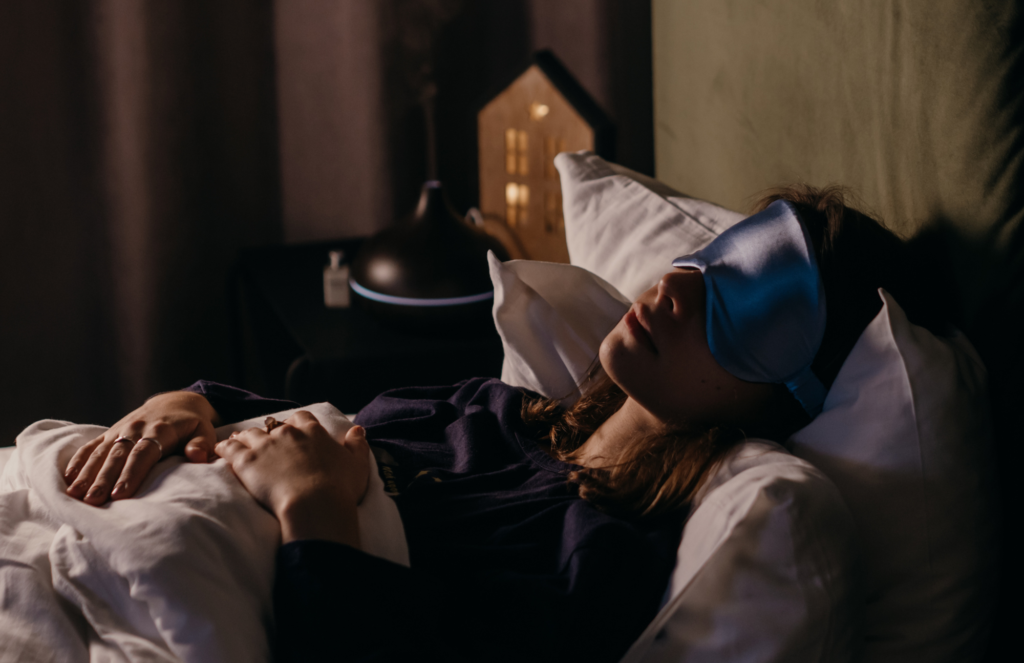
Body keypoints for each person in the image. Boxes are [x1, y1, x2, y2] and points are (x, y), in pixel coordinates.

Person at [60, 185, 940, 662]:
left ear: (789, 393)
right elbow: (304, 421)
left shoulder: (599, 559)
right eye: (709, 261)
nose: (674, 287)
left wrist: (314, 515)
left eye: (747, 304)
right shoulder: (497, 409)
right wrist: (190, 403)